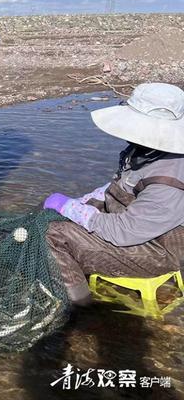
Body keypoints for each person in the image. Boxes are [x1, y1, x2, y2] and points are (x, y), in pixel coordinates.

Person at [43, 83, 184, 306]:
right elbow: (124, 187)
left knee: (52, 235)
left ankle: (80, 305)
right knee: (63, 220)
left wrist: (73, 209)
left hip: (158, 253)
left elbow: (123, 232)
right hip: (141, 231)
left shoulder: (169, 179)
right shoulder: (147, 151)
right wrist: (83, 203)